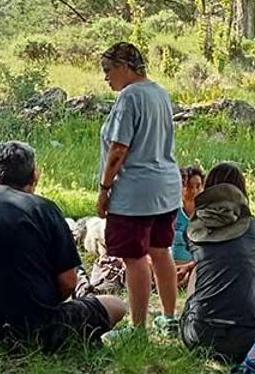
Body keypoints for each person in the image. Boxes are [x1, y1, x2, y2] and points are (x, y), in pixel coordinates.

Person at [0, 141, 127, 350]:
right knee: (116, 305)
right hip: (34, 332)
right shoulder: (44, 209)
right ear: (35, 175)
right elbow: (69, 283)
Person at [96, 42, 182, 336]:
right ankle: (169, 317)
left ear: (125, 67)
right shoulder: (160, 92)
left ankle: (137, 328)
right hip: (166, 187)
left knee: (134, 257)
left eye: (108, 70)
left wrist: (104, 188)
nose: (106, 77)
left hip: (136, 191)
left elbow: (119, 148)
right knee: (161, 251)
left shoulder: (129, 96)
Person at [180, 162, 255, 363]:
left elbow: (212, 253)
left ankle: (194, 315)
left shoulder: (193, 230)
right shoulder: (253, 227)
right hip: (250, 340)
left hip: (198, 337)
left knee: (197, 270)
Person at [174, 164, 205, 286]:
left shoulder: (207, 216)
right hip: (170, 265)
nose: (194, 191)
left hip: (195, 268)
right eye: (190, 186)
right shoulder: (172, 213)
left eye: (198, 186)